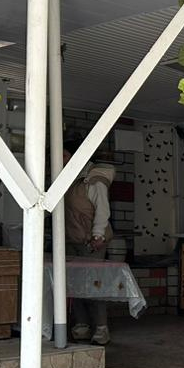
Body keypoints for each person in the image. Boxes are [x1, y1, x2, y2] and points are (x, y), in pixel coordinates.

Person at [62, 138, 116, 345]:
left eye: (64, 155)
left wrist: (97, 235)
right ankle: (82, 325)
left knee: (93, 284)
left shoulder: (94, 179)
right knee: (74, 284)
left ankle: (101, 328)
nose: (60, 159)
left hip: (91, 242)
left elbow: (102, 210)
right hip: (72, 239)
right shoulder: (68, 178)